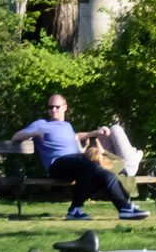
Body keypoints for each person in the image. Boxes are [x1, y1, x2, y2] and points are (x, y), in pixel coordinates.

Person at [8, 94, 141, 221]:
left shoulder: (67, 126)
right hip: (58, 164)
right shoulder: (41, 124)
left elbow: (76, 136)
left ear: (65, 107)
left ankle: (124, 208)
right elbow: (15, 136)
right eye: (50, 107)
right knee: (90, 166)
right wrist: (35, 132)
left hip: (77, 161)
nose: (53, 110)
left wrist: (96, 133)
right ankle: (75, 210)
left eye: (56, 107)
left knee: (106, 172)